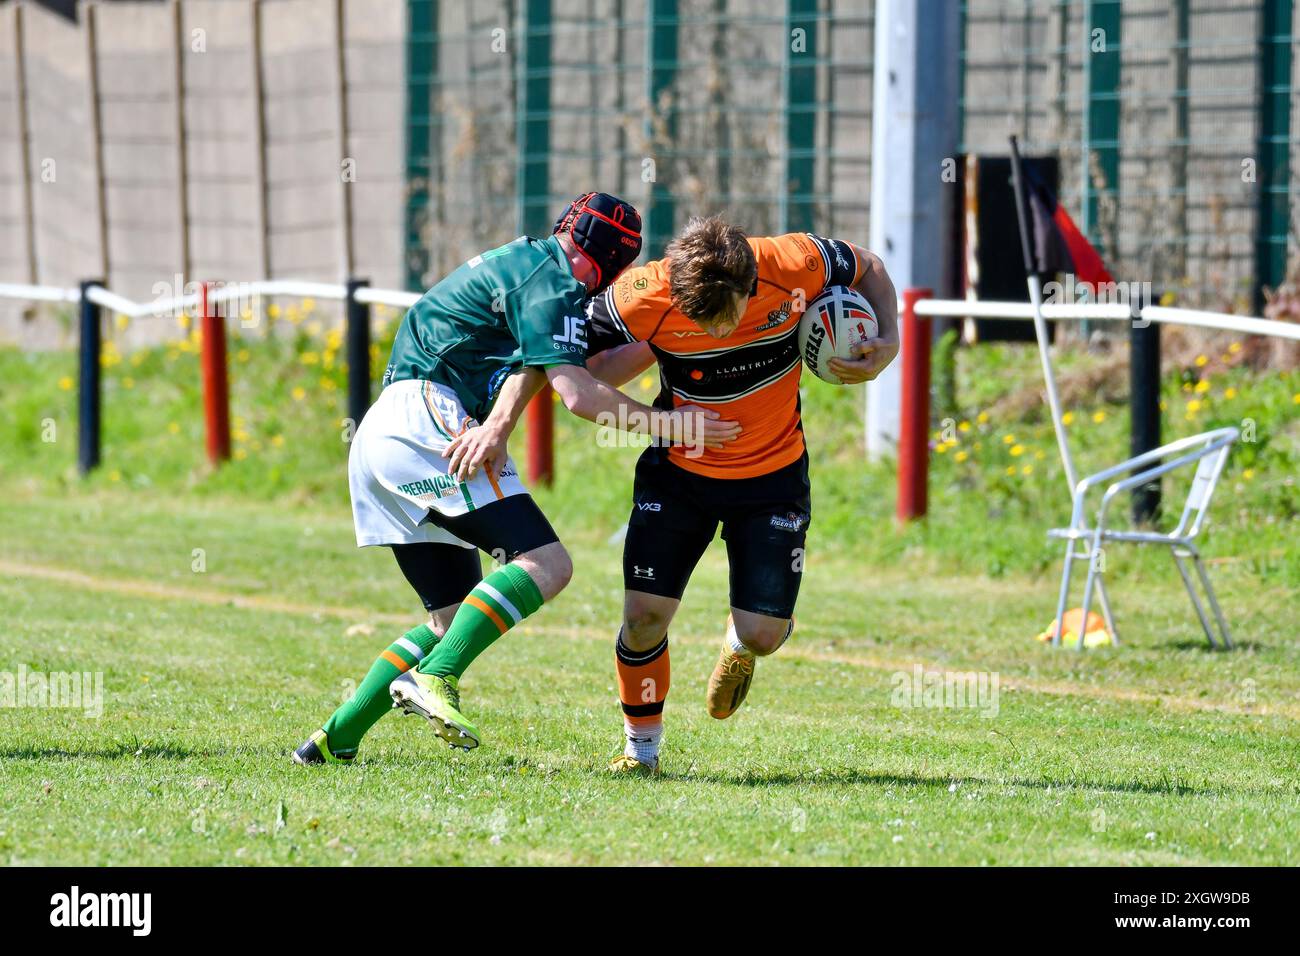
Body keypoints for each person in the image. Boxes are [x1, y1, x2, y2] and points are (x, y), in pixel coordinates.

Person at [293, 194, 739, 764]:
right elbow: (577, 394)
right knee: (546, 565)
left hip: (385, 432)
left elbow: (537, 362)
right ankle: (438, 678)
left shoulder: (529, 266)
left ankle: (335, 739)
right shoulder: (553, 282)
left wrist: (501, 421)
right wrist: (673, 427)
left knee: (451, 616)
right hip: (427, 416)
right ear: (615, 267)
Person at [583, 215, 900, 774]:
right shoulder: (644, 292)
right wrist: (664, 422)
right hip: (678, 476)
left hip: (772, 478)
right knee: (644, 617)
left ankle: (740, 641)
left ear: (751, 285)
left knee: (763, 634)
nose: (712, 333)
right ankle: (642, 750)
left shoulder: (792, 261)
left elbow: (869, 266)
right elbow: (577, 374)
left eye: (719, 320)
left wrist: (890, 340)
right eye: (695, 320)